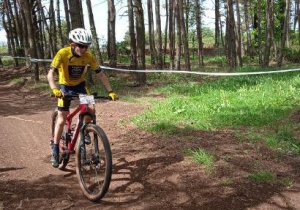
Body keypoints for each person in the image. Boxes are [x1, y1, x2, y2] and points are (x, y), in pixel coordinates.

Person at [47, 28, 118, 168]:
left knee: (91, 109)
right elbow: (50, 74)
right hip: (64, 87)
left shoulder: (89, 56)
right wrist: (54, 89)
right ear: (73, 44)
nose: (84, 49)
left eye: (86, 46)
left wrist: (110, 91)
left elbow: (100, 74)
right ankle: (55, 148)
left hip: (80, 86)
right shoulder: (63, 53)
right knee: (62, 118)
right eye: (81, 46)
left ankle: (85, 129)